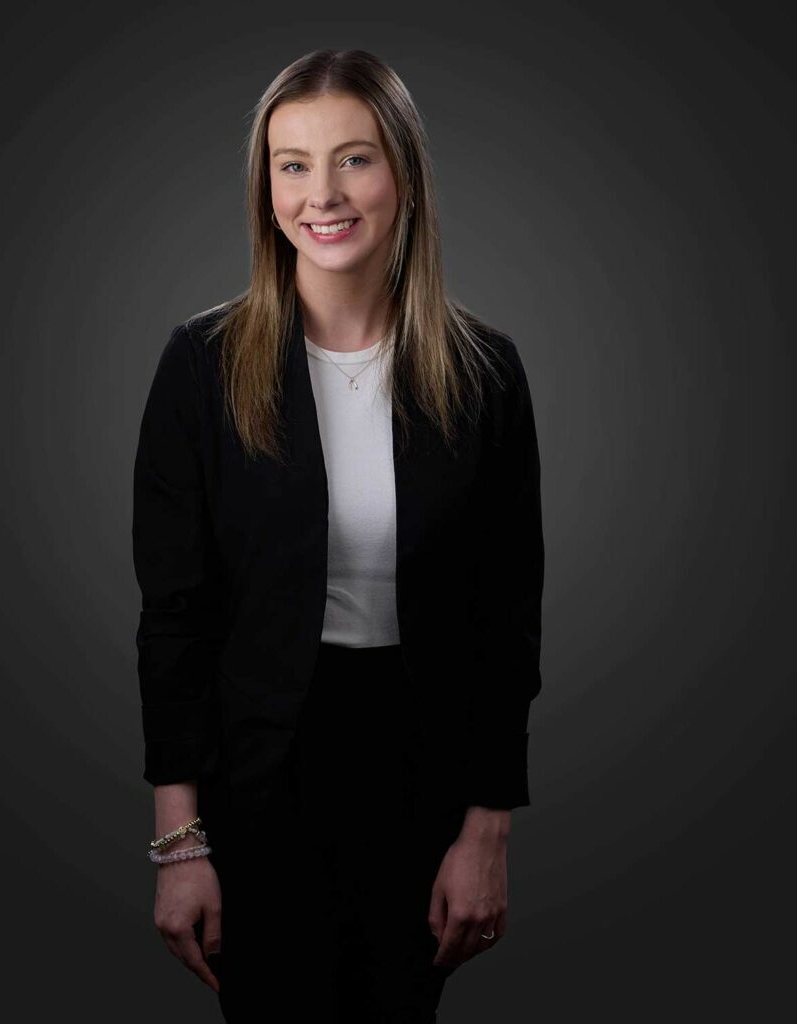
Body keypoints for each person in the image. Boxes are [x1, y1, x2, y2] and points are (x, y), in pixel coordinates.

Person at [132, 48, 545, 1023]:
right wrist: (180, 846)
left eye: (353, 159)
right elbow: (175, 620)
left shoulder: (484, 372)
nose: (321, 193)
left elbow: (506, 622)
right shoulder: (202, 365)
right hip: (256, 779)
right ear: (266, 188)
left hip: (422, 776)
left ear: (405, 176)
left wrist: (487, 831)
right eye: (293, 164)